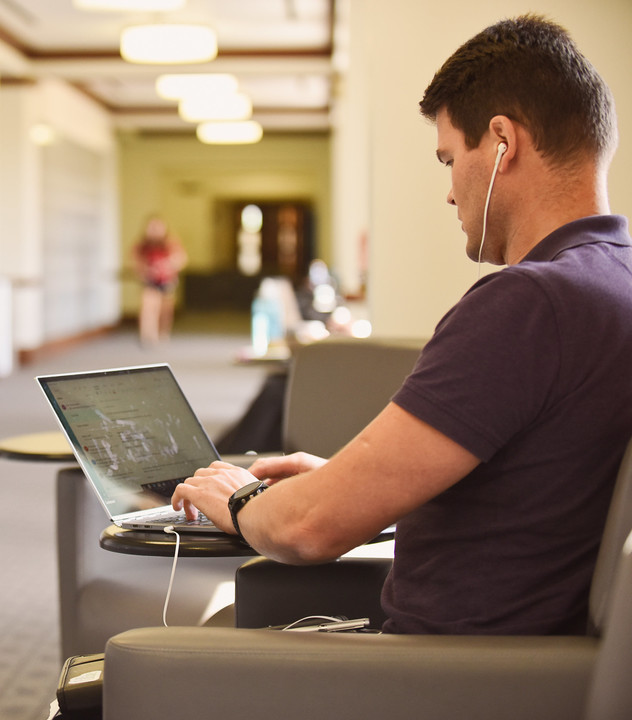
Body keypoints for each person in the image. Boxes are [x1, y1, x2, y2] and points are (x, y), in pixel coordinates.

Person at [172, 14, 632, 635]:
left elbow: (306, 530)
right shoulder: (612, 281)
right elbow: (539, 497)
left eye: (449, 159)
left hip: (435, 677)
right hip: (532, 659)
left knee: (123, 672)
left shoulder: (530, 304)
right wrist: (347, 485)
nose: (449, 193)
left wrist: (237, 496)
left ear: (502, 143)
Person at [134, 217, 187, 344]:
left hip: (166, 280)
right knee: (148, 308)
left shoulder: (171, 243)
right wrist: (145, 271)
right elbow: (136, 261)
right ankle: (147, 335)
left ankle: (163, 333)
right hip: (149, 279)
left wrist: (166, 266)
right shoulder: (142, 245)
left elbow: (181, 259)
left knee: (165, 310)